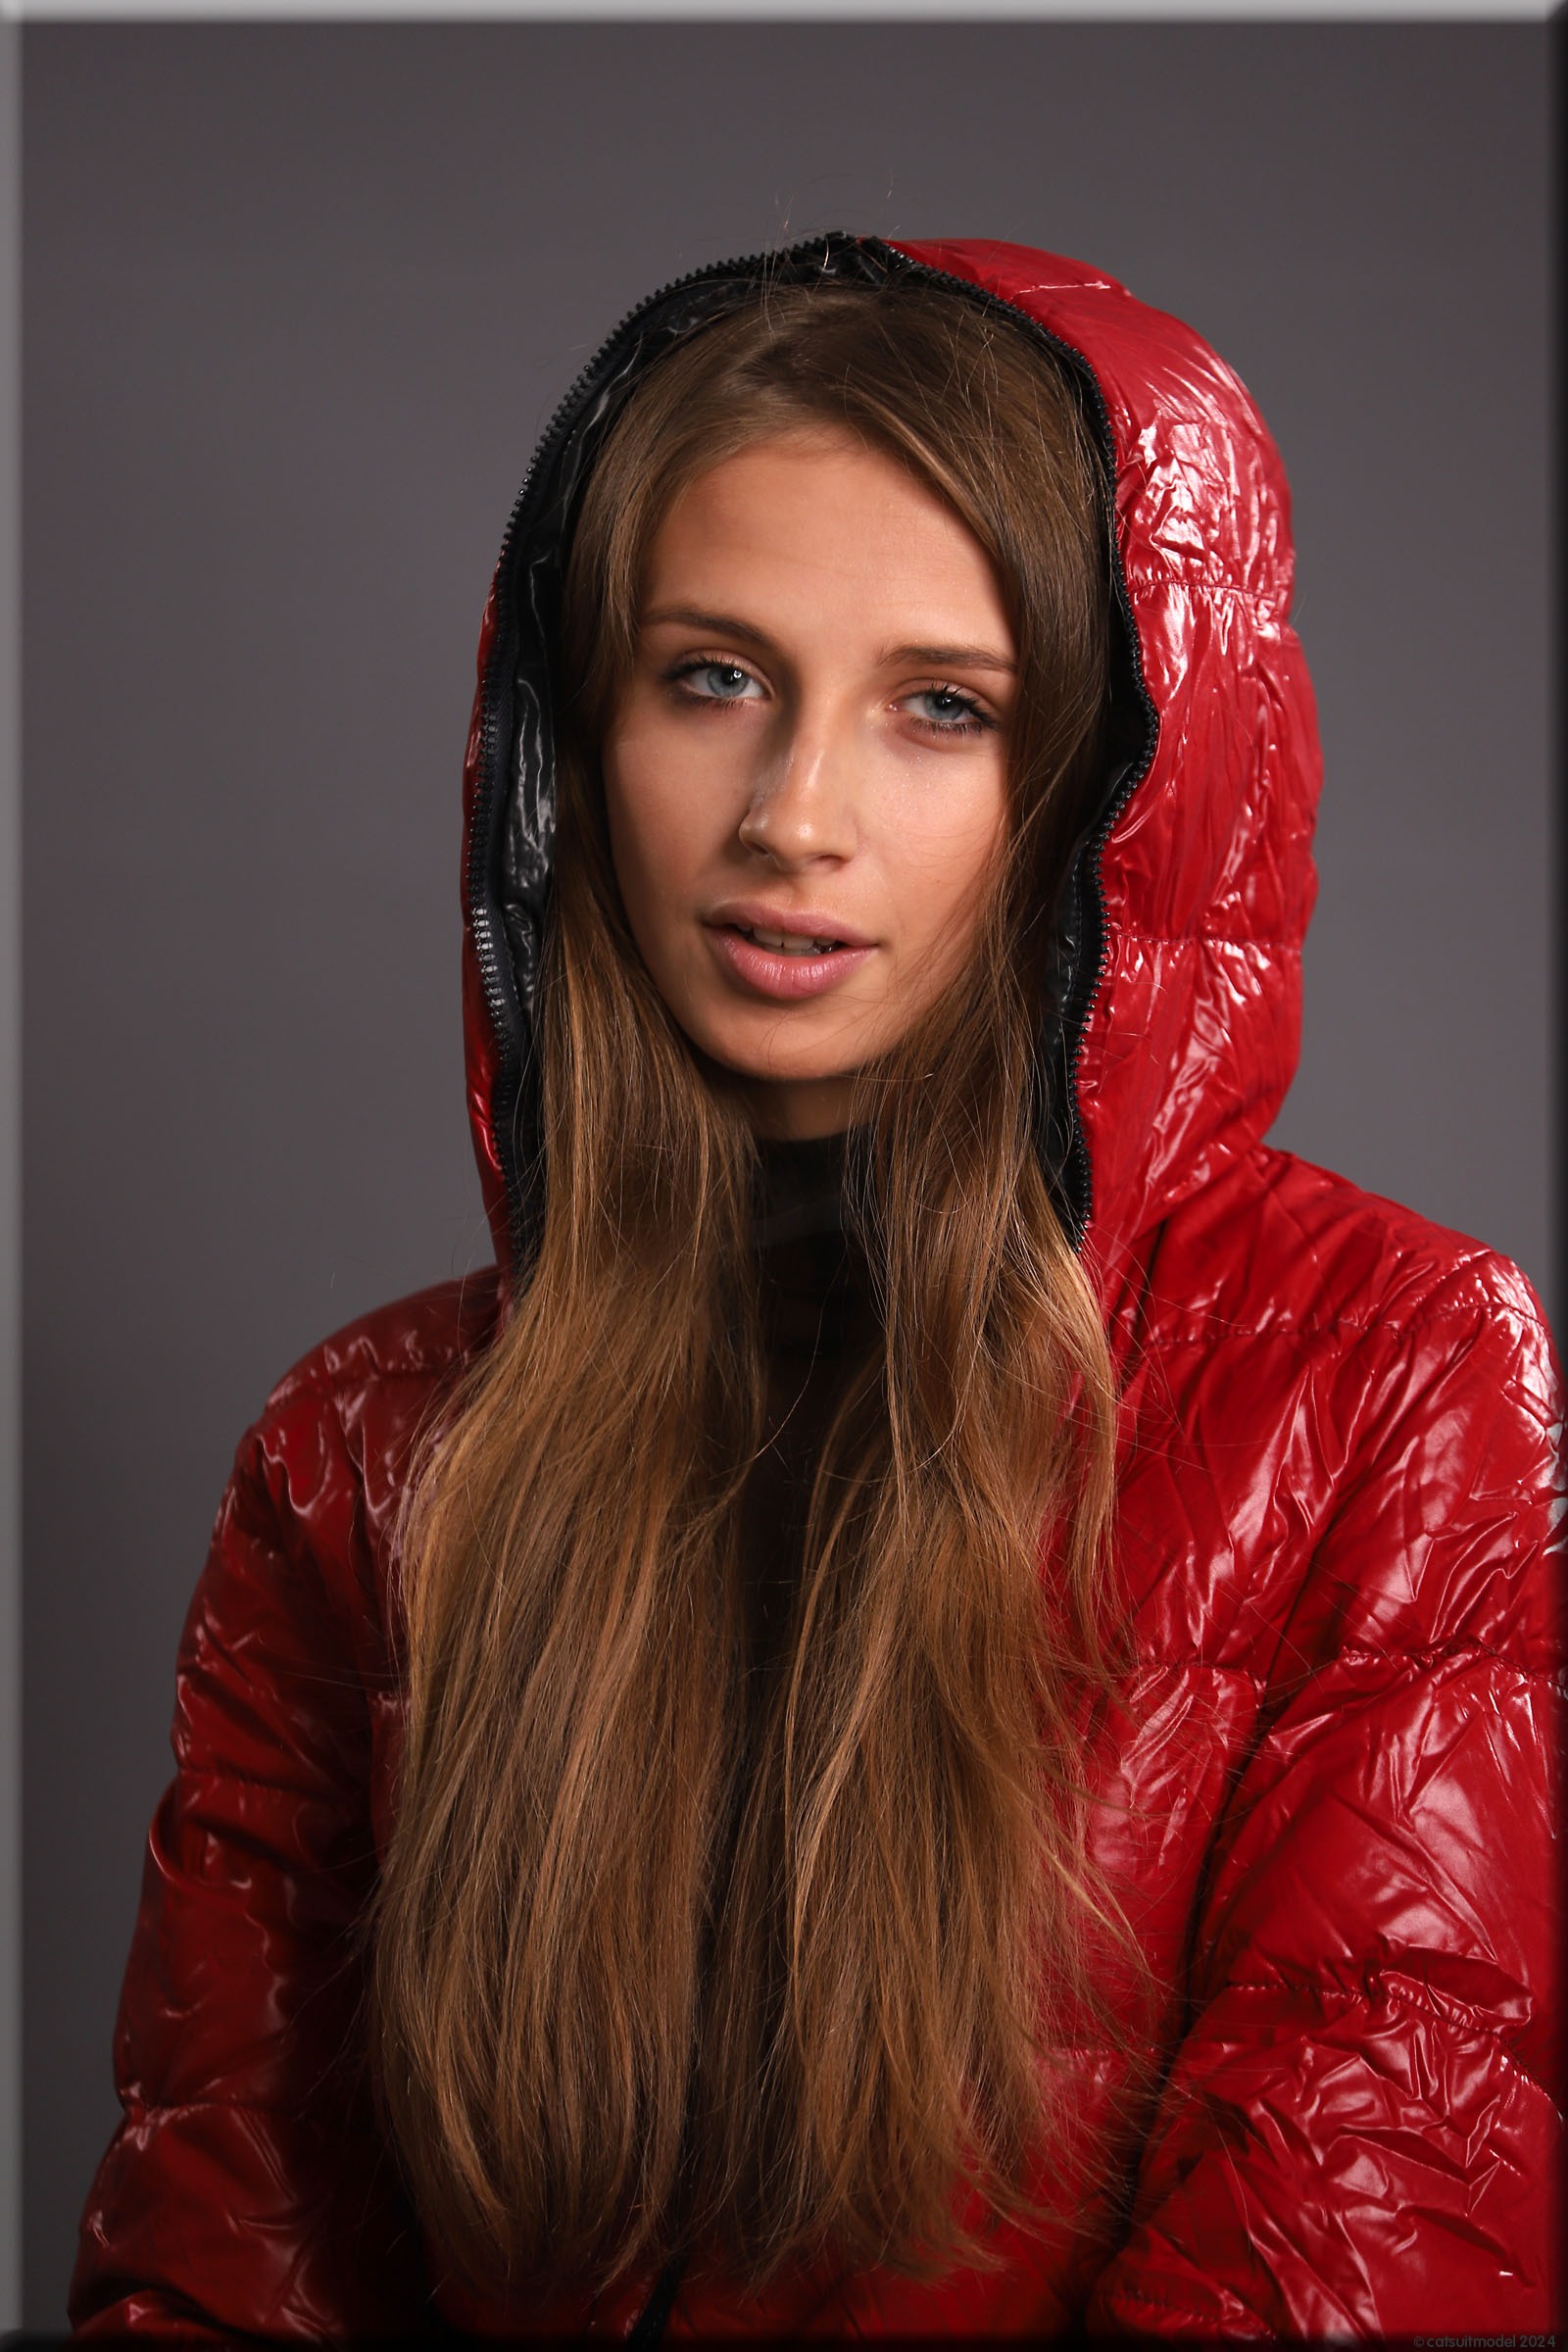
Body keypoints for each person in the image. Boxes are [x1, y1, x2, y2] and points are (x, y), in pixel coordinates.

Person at [70, 232, 1560, 2340]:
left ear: (1110, 790)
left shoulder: (1396, 1386)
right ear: (568, 736)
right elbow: (223, 2263)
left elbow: (1351, 2240)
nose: (793, 815)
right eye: (712, 678)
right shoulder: (361, 1456)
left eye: (941, 708)